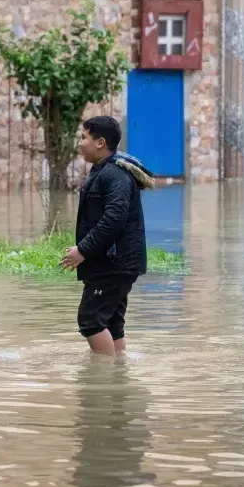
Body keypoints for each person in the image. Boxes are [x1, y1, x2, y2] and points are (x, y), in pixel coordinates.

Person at [60, 116, 151, 357]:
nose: (80, 143)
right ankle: (118, 379)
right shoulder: (105, 171)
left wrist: (83, 250)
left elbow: (113, 220)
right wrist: (84, 247)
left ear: (100, 142)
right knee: (111, 322)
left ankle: (103, 384)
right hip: (116, 262)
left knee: (90, 320)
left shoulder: (114, 175)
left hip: (114, 264)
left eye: (84, 137)